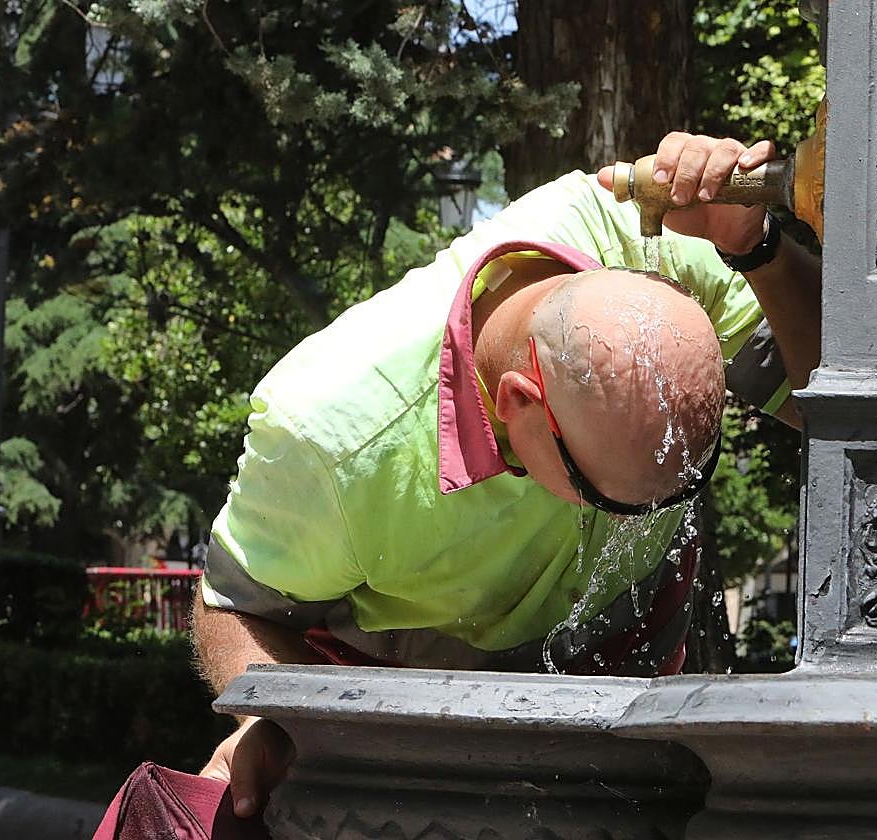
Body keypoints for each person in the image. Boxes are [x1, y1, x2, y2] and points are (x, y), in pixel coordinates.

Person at [194, 134, 822, 818]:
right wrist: (266, 720)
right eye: (605, 498)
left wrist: (757, 249)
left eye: (673, 492)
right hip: (408, 700)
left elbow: (842, 401)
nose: (633, 526)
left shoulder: (656, 238)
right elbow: (234, 606)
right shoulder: (330, 435)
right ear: (521, 401)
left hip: (628, 677)